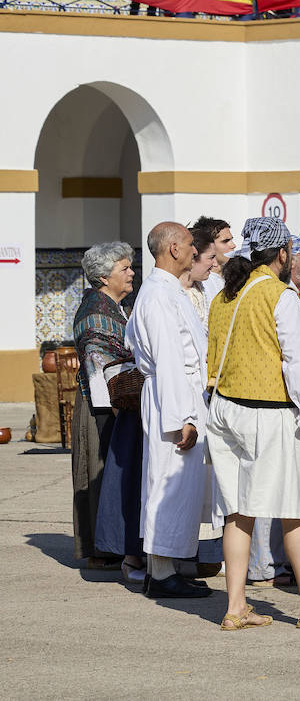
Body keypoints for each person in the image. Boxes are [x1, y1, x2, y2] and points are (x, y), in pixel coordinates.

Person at [204, 217, 300, 629]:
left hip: (223, 409)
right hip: (267, 413)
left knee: (238, 511)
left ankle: (235, 606)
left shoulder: (224, 296)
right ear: (281, 254)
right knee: (295, 509)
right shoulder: (280, 296)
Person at [123, 222, 212, 600]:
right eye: (192, 245)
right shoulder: (158, 295)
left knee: (183, 485)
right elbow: (170, 358)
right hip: (172, 398)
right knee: (167, 481)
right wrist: (183, 419)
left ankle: (168, 567)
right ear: (173, 248)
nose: (195, 252)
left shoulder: (170, 291)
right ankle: (159, 573)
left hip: (184, 393)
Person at [72, 242, 136, 573]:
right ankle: (102, 549)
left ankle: (113, 543)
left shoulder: (116, 306)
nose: (131, 273)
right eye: (124, 268)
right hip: (101, 402)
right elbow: (101, 363)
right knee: (97, 470)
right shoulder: (96, 310)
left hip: (116, 398)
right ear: (102, 276)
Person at [190, 216, 235, 301]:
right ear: (209, 244)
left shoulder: (233, 275)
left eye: (231, 240)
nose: (233, 245)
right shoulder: (201, 282)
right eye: (225, 241)